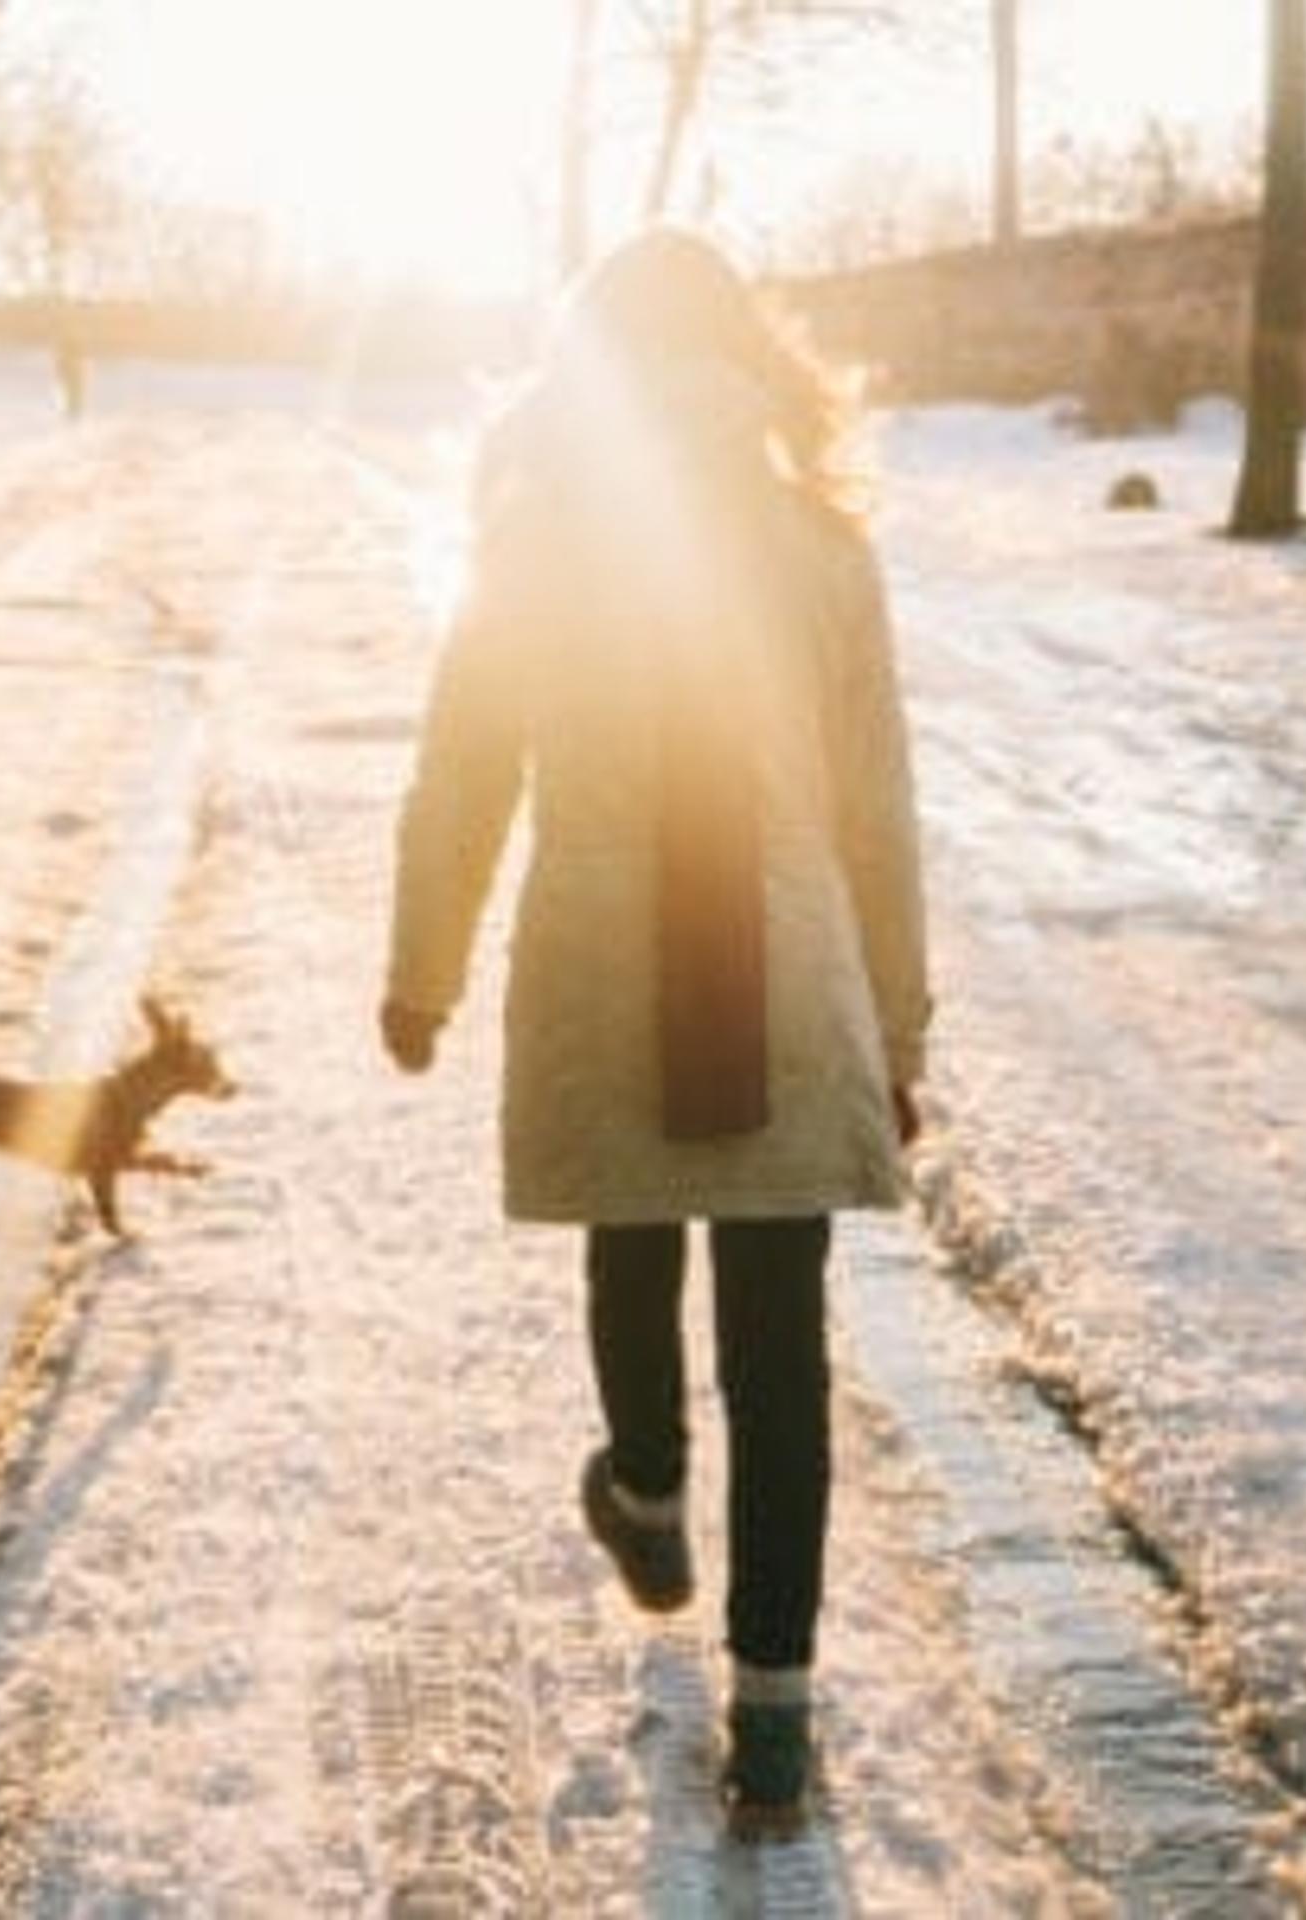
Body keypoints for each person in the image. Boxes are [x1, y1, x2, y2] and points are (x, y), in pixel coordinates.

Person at [380, 229, 929, 1840]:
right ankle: (774, 1713)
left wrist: (422, 972)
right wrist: (897, 1026)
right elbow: (878, 815)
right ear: (744, 357)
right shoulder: (824, 546)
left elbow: (464, 770)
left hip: (602, 978)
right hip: (786, 986)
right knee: (782, 1350)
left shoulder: (537, 540)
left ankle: (648, 1492)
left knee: (629, 1245)